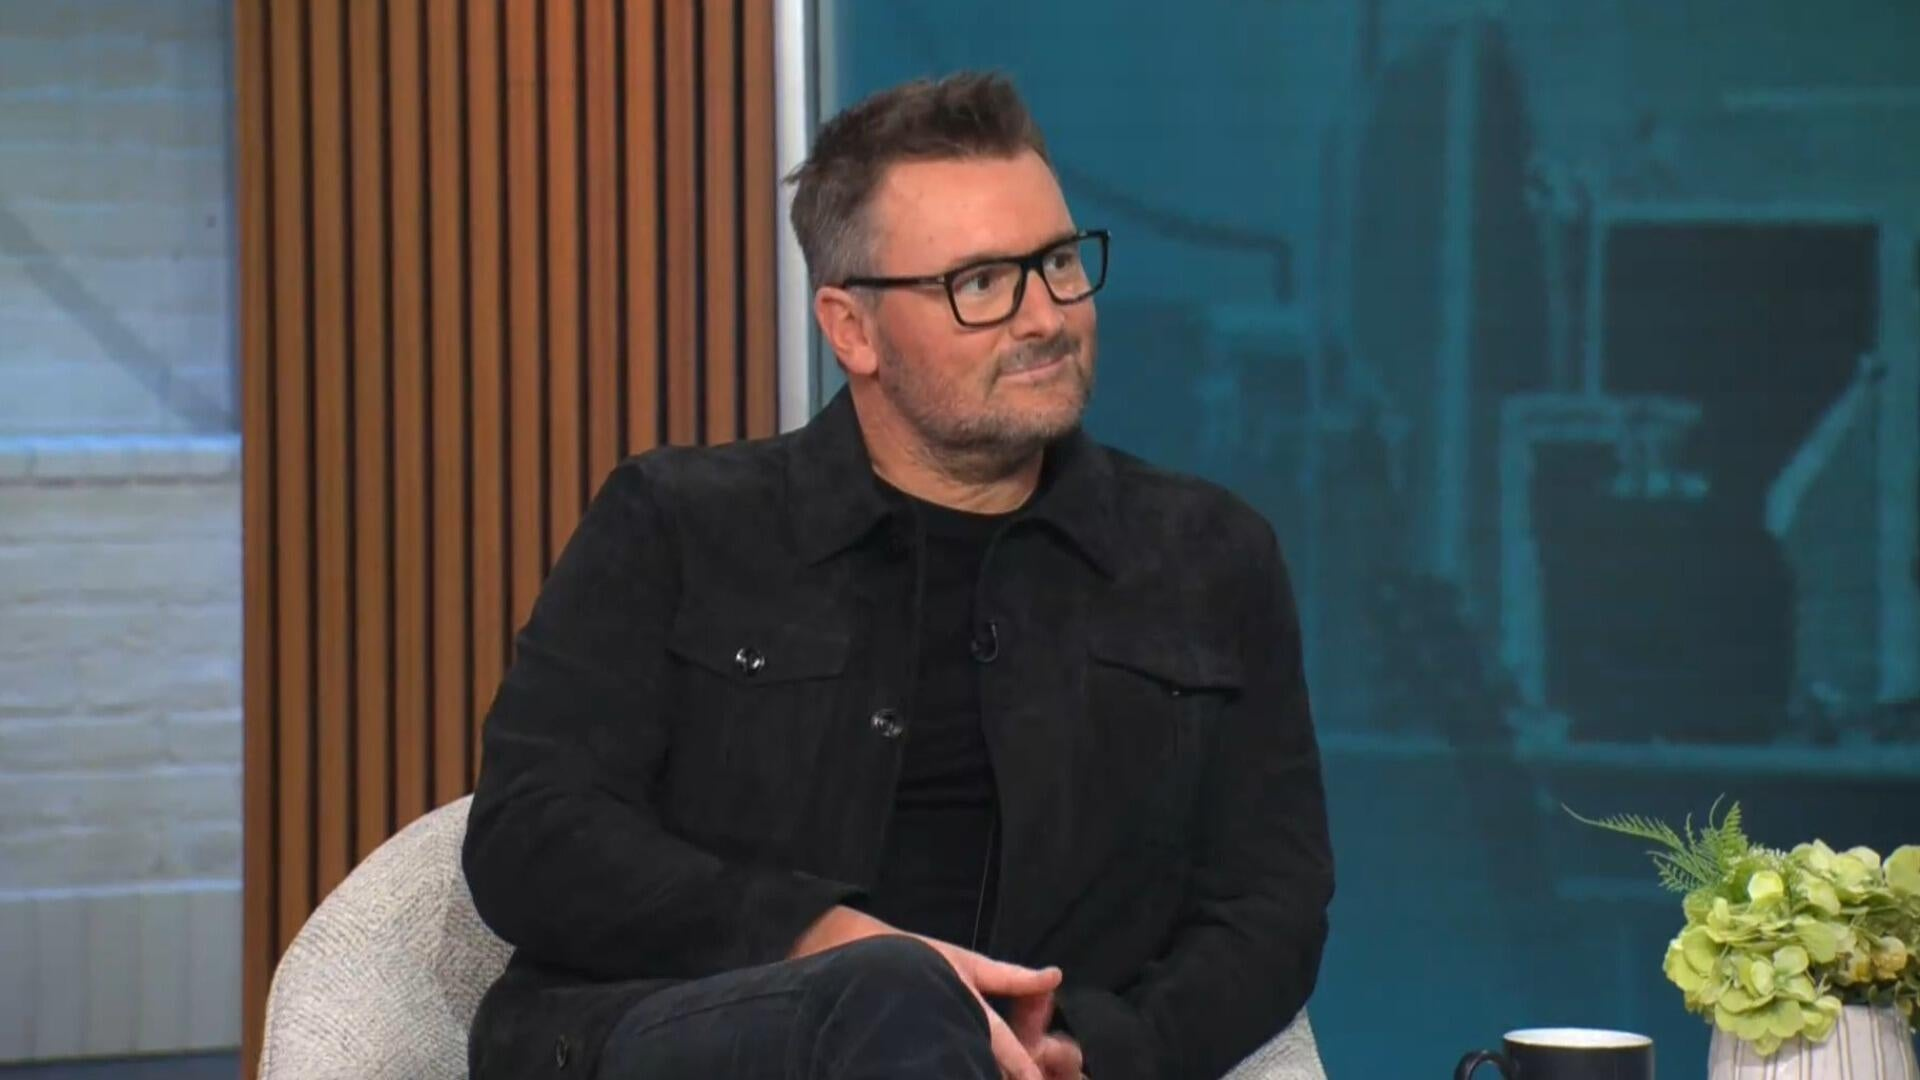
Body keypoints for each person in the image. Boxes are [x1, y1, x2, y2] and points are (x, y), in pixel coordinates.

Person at [462, 71, 1334, 1080]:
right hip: (699, 1039)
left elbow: (1269, 905)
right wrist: (826, 940)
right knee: (892, 996)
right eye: (981, 283)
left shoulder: (1207, 559)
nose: (1045, 317)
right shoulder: (677, 525)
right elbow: (532, 834)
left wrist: (1090, 1050)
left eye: (1058, 263)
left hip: (1015, 1063)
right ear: (852, 329)